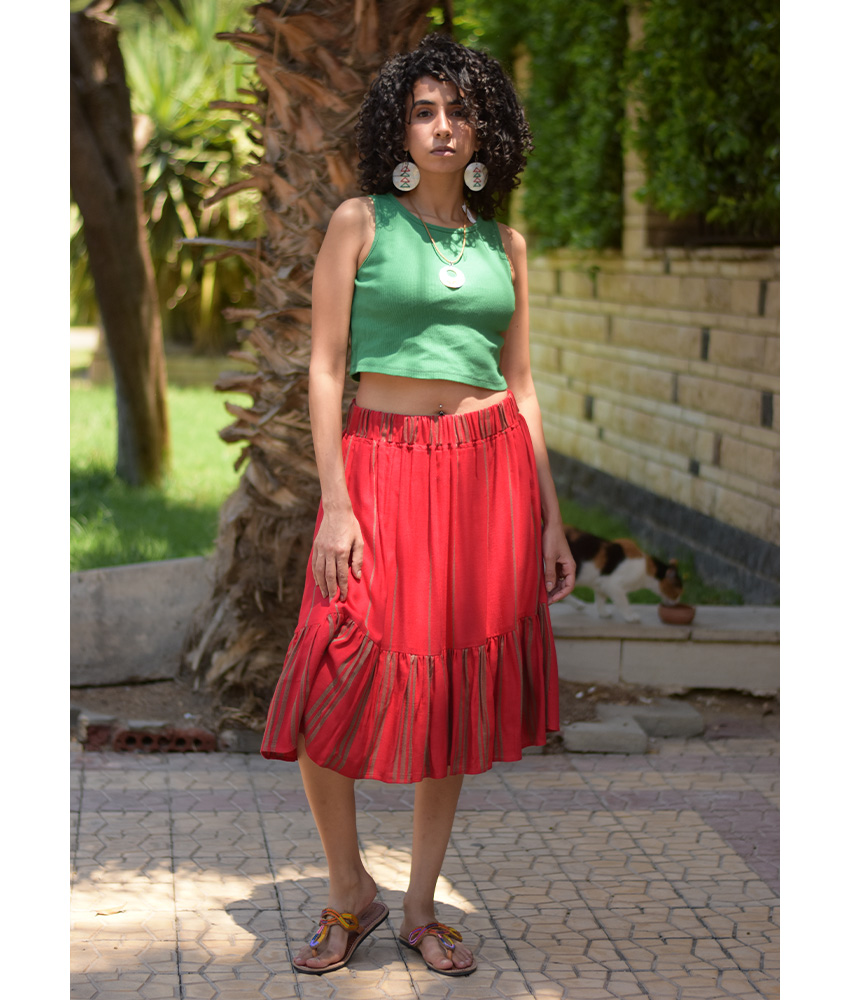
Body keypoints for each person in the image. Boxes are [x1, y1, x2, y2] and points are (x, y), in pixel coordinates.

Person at [260, 32, 576, 977]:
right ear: (402, 125)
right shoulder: (360, 222)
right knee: (331, 671)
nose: (443, 127)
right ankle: (347, 889)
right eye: (425, 110)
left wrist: (552, 518)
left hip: (487, 476)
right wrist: (338, 503)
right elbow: (323, 366)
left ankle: (420, 906)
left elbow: (520, 386)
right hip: (382, 469)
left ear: (486, 129)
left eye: (459, 110)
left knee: (447, 692)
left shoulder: (503, 245)